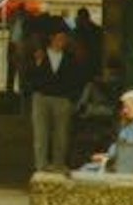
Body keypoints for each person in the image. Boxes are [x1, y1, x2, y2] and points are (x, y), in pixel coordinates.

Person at [25, 26, 91, 173]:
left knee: (61, 133)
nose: (62, 42)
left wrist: (71, 98)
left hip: (62, 98)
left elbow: (77, 78)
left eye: (64, 39)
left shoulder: (70, 58)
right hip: (41, 97)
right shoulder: (40, 55)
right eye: (59, 38)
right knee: (40, 132)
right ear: (52, 38)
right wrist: (37, 63)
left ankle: (58, 163)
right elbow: (29, 76)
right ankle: (41, 164)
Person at [88, 89, 133, 175]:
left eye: (127, 107)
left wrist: (106, 159)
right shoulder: (130, 124)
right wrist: (107, 156)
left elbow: (131, 153)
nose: (124, 111)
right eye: (124, 108)